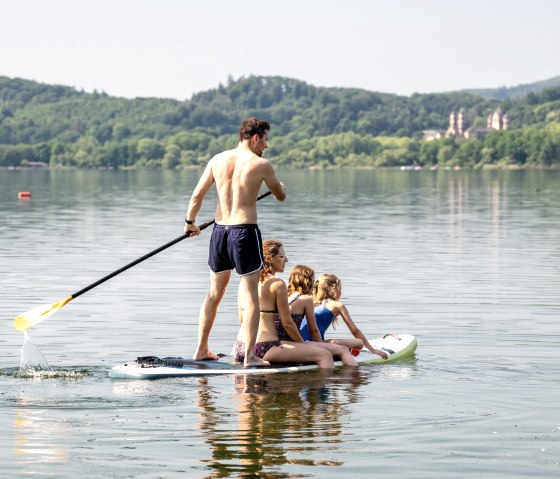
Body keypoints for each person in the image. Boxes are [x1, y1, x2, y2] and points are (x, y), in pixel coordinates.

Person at [184, 117, 286, 367]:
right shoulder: (261, 164)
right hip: (244, 232)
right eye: (265, 140)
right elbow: (281, 196)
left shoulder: (217, 159)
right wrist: (278, 187)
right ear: (255, 138)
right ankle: (250, 356)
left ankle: (200, 349)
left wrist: (190, 222)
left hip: (219, 232)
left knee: (214, 294)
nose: (266, 145)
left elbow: (197, 194)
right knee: (251, 296)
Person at [233, 240, 336, 368]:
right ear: (270, 258)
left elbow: (242, 319)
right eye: (281, 256)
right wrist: (302, 345)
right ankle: (320, 387)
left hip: (240, 346)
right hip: (264, 347)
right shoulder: (277, 284)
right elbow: (287, 323)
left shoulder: (244, 282)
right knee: (325, 355)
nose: (286, 260)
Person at [299, 273, 389, 359]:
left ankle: (345, 350)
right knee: (359, 343)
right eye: (340, 289)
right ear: (334, 289)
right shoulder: (336, 305)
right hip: (317, 344)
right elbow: (355, 331)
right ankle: (346, 351)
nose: (341, 292)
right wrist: (372, 350)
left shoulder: (314, 303)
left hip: (303, 343)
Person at [286, 265, 357, 366]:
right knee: (343, 350)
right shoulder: (306, 299)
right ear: (307, 281)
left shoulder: (287, 297)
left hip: (285, 343)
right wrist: (322, 347)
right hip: (299, 343)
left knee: (348, 346)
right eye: (313, 280)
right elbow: (313, 330)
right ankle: (357, 378)